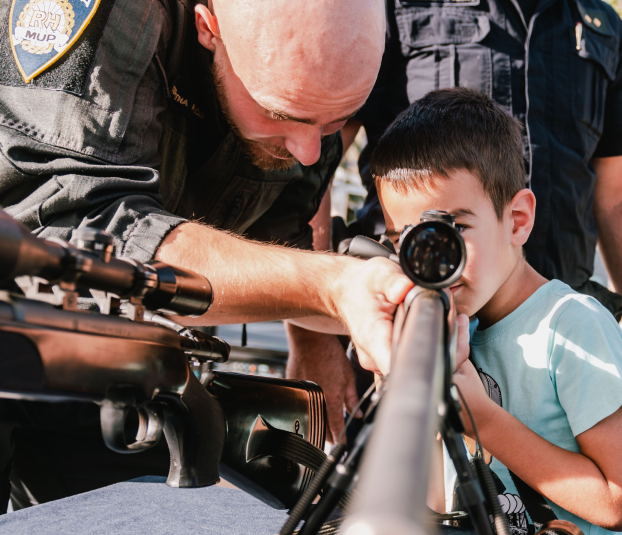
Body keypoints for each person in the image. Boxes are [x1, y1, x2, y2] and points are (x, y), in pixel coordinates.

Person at [0, 0, 416, 509]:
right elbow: (86, 226)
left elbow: (277, 238)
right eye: (283, 114)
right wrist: (332, 288)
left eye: (337, 124)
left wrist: (391, 302)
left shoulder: (300, 88)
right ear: (207, 26)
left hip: (119, 379)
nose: (309, 149)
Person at [285, 0, 622, 451]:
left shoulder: (603, 28)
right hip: (410, 332)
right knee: (381, 508)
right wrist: (312, 337)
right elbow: (315, 163)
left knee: (539, 517)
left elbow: (621, 198)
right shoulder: (390, 8)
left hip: (552, 353)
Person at [371, 88, 622, 535]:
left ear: (517, 220)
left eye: (451, 231)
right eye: (406, 239)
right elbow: (432, 507)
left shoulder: (574, 325)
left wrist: (484, 421)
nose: (432, 259)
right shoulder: (446, 327)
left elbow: (619, 503)